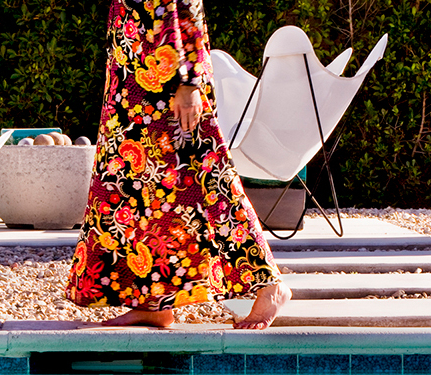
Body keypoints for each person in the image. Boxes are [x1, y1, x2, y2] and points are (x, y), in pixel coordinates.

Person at [66, 0, 291, 330]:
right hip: (132, 78)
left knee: (208, 182)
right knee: (133, 190)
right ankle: (153, 302)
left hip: (170, 81)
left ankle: (270, 283)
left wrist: (189, 81)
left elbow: (185, 5)